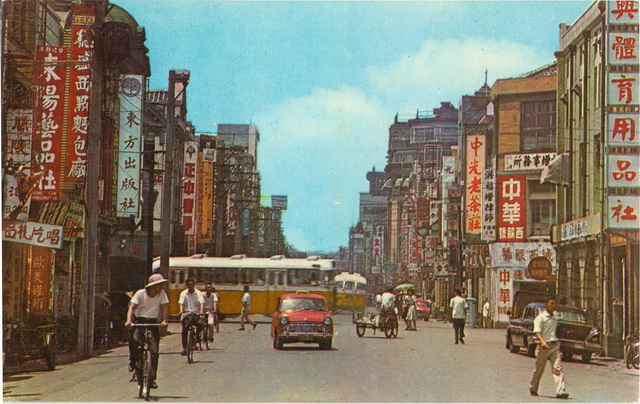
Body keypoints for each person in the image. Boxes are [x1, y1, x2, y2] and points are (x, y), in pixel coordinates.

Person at [125, 273, 169, 389]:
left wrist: (164, 320)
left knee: (154, 351)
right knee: (134, 340)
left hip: (153, 322)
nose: (161, 287)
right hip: (140, 320)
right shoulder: (140, 293)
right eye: (159, 285)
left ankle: (151, 378)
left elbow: (164, 307)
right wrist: (129, 320)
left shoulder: (161, 294)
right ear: (153, 286)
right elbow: (132, 307)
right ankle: (133, 361)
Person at [529, 296, 569, 399]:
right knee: (539, 370)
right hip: (543, 347)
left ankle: (560, 391)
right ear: (546, 304)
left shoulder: (555, 317)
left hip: (554, 346)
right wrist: (542, 342)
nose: (553, 306)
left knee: (557, 369)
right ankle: (533, 387)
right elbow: (537, 332)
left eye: (554, 304)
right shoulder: (540, 318)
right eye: (551, 303)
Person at [179, 278, 204, 355]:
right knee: (184, 330)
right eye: (189, 285)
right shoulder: (183, 293)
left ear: (194, 285)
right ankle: (184, 348)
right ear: (186, 285)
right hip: (187, 314)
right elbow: (181, 304)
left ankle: (196, 337)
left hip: (196, 314)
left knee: (200, 325)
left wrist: (201, 311)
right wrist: (181, 311)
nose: (190, 286)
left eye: (192, 284)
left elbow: (201, 303)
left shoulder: (198, 293)